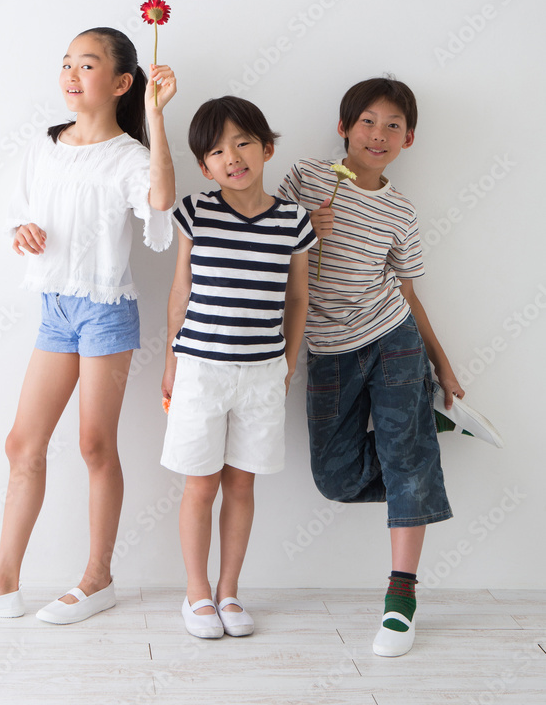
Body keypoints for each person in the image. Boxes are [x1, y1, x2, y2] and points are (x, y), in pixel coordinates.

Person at [0, 27, 176, 624]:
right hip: (55, 310)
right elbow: (20, 213)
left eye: (86, 64)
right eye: (66, 63)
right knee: (21, 443)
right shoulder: (45, 144)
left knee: (95, 445)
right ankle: (2, 584)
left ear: (121, 82)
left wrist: (156, 116)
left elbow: (161, 202)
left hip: (105, 310)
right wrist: (23, 231)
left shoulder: (129, 156)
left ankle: (98, 578)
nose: (70, 74)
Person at [279, 77, 502, 658]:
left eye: (393, 126)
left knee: (405, 459)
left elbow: (408, 292)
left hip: (391, 336)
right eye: (368, 122)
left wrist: (444, 367)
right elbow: (262, 243)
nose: (378, 135)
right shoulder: (307, 178)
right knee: (335, 479)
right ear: (343, 127)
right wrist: (303, 230)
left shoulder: (400, 211)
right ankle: (427, 439)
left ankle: (401, 598)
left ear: (409, 138)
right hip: (327, 350)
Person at [161, 96, 315, 638]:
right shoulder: (195, 211)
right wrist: (170, 360)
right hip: (200, 369)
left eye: (243, 142)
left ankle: (229, 592)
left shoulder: (294, 221)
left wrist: (287, 363)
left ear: (267, 148)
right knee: (200, 485)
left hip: (262, 374)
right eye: (216, 151)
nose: (232, 156)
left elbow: (298, 298)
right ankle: (196, 593)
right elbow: (180, 290)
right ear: (205, 167)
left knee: (242, 486)